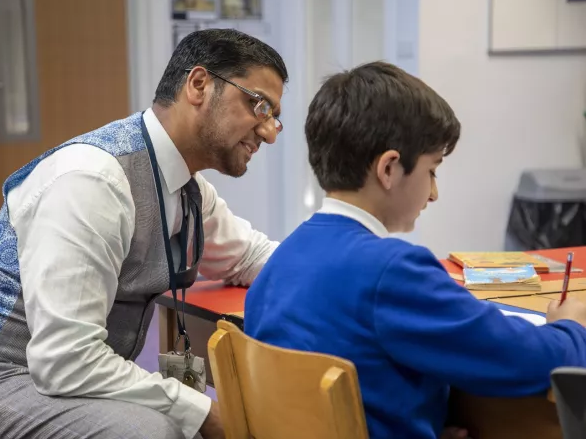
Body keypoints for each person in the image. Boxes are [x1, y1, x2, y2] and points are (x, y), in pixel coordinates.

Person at [0, 28, 287, 439]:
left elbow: (251, 257)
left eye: (274, 117)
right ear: (198, 85)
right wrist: (203, 413)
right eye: (259, 106)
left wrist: (344, 269)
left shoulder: (189, 191)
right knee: (152, 432)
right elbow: (66, 359)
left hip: (55, 379)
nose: (268, 132)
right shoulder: (93, 181)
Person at [244, 61, 586, 439]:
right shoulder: (392, 271)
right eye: (432, 170)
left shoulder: (281, 261)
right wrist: (571, 327)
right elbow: (528, 361)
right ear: (389, 168)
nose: (434, 193)